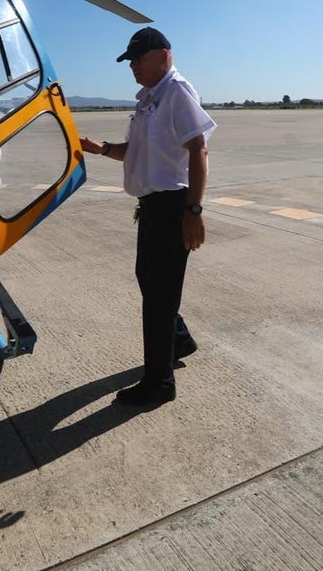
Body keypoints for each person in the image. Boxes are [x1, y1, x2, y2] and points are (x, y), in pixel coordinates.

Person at [80, 27, 216, 406]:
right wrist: (103, 148)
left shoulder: (176, 92)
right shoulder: (148, 100)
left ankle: (159, 382)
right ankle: (179, 339)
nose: (133, 67)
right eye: (130, 62)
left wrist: (193, 209)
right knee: (151, 283)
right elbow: (137, 152)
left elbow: (198, 150)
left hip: (174, 206)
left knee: (158, 296)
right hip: (154, 207)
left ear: (164, 56)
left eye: (139, 59)